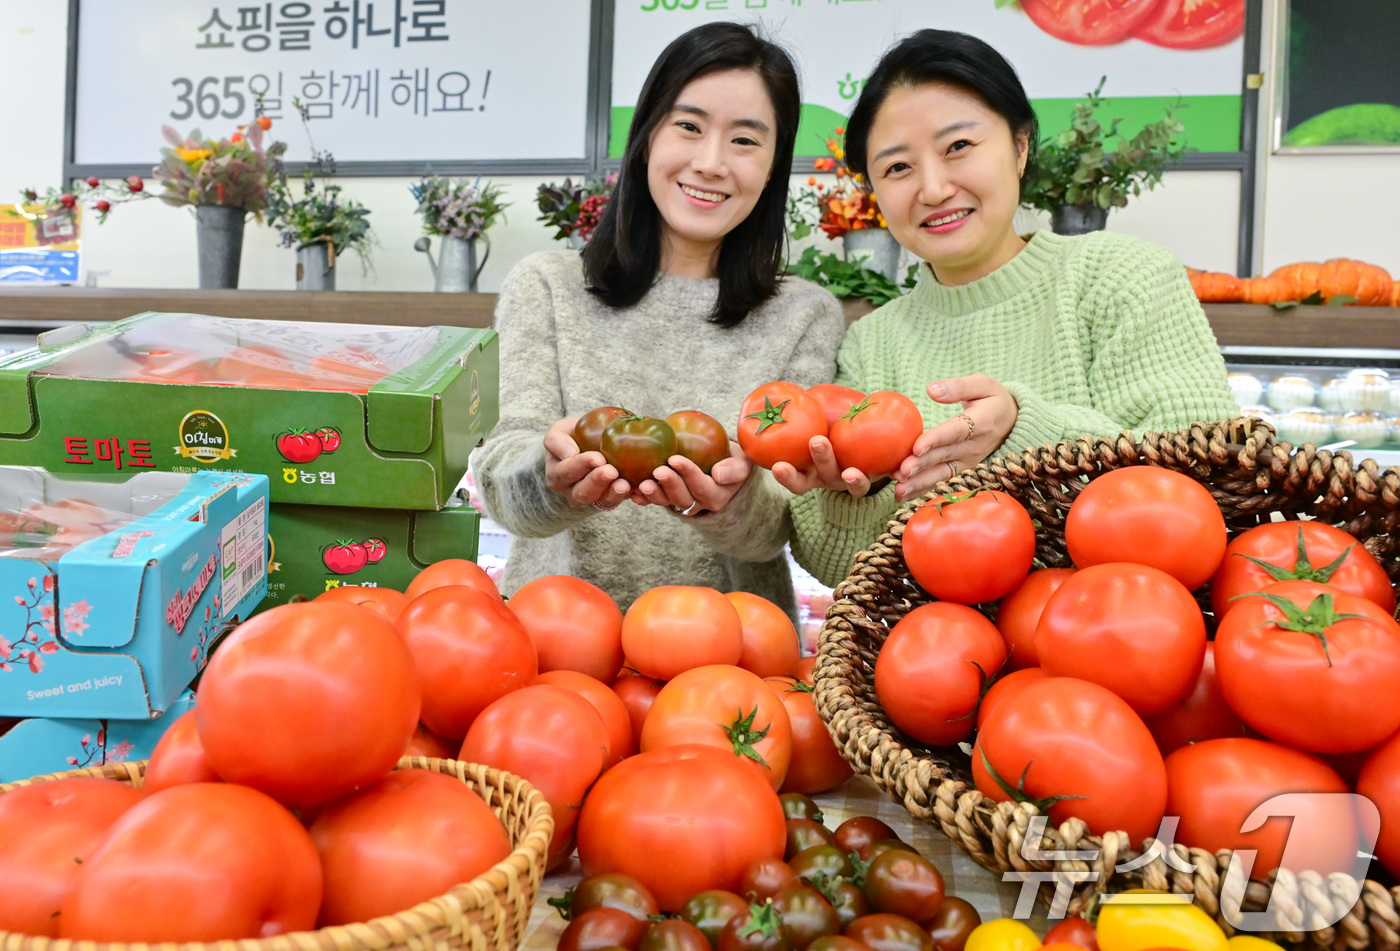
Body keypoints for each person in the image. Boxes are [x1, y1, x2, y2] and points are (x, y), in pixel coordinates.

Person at [779, 29, 1239, 588]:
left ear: (1020, 148)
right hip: (934, 664)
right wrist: (857, 496)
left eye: (959, 148)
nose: (933, 188)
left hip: (1126, 635)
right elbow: (837, 570)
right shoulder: (872, 343)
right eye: (898, 168)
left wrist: (1020, 430)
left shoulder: (1121, 275)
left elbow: (1214, 478)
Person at [473, 22, 846, 617]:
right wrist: (550, 476)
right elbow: (500, 481)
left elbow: (783, 524)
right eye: (689, 127)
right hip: (555, 642)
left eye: (746, 141)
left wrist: (731, 502)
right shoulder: (547, 285)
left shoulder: (804, 315)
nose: (711, 162)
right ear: (648, 136)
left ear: (774, 166)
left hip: (732, 657)